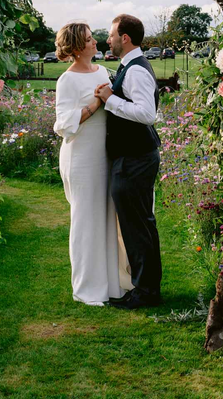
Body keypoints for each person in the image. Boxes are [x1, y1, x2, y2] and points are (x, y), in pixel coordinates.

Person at [53, 22, 131, 305]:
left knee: (108, 217)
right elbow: (63, 125)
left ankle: (112, 285)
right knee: (86, 221)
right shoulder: (67, 81)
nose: (96, 41)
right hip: (81, 157)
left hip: (105, 154)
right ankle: (87, 289)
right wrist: (95, 106)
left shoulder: (103, 72)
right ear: (76, 48)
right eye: (88, 39)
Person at [94, 14, 162, 309]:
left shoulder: (135, 71)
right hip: (134, 156)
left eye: (111, 35)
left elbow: (147, 114)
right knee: (140, 224)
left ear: (125, 38)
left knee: (137, 227)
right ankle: (146, 288)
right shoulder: (128, 67)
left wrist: (110, 99)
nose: (107, 40)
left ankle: (145, 292)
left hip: (135, 158)